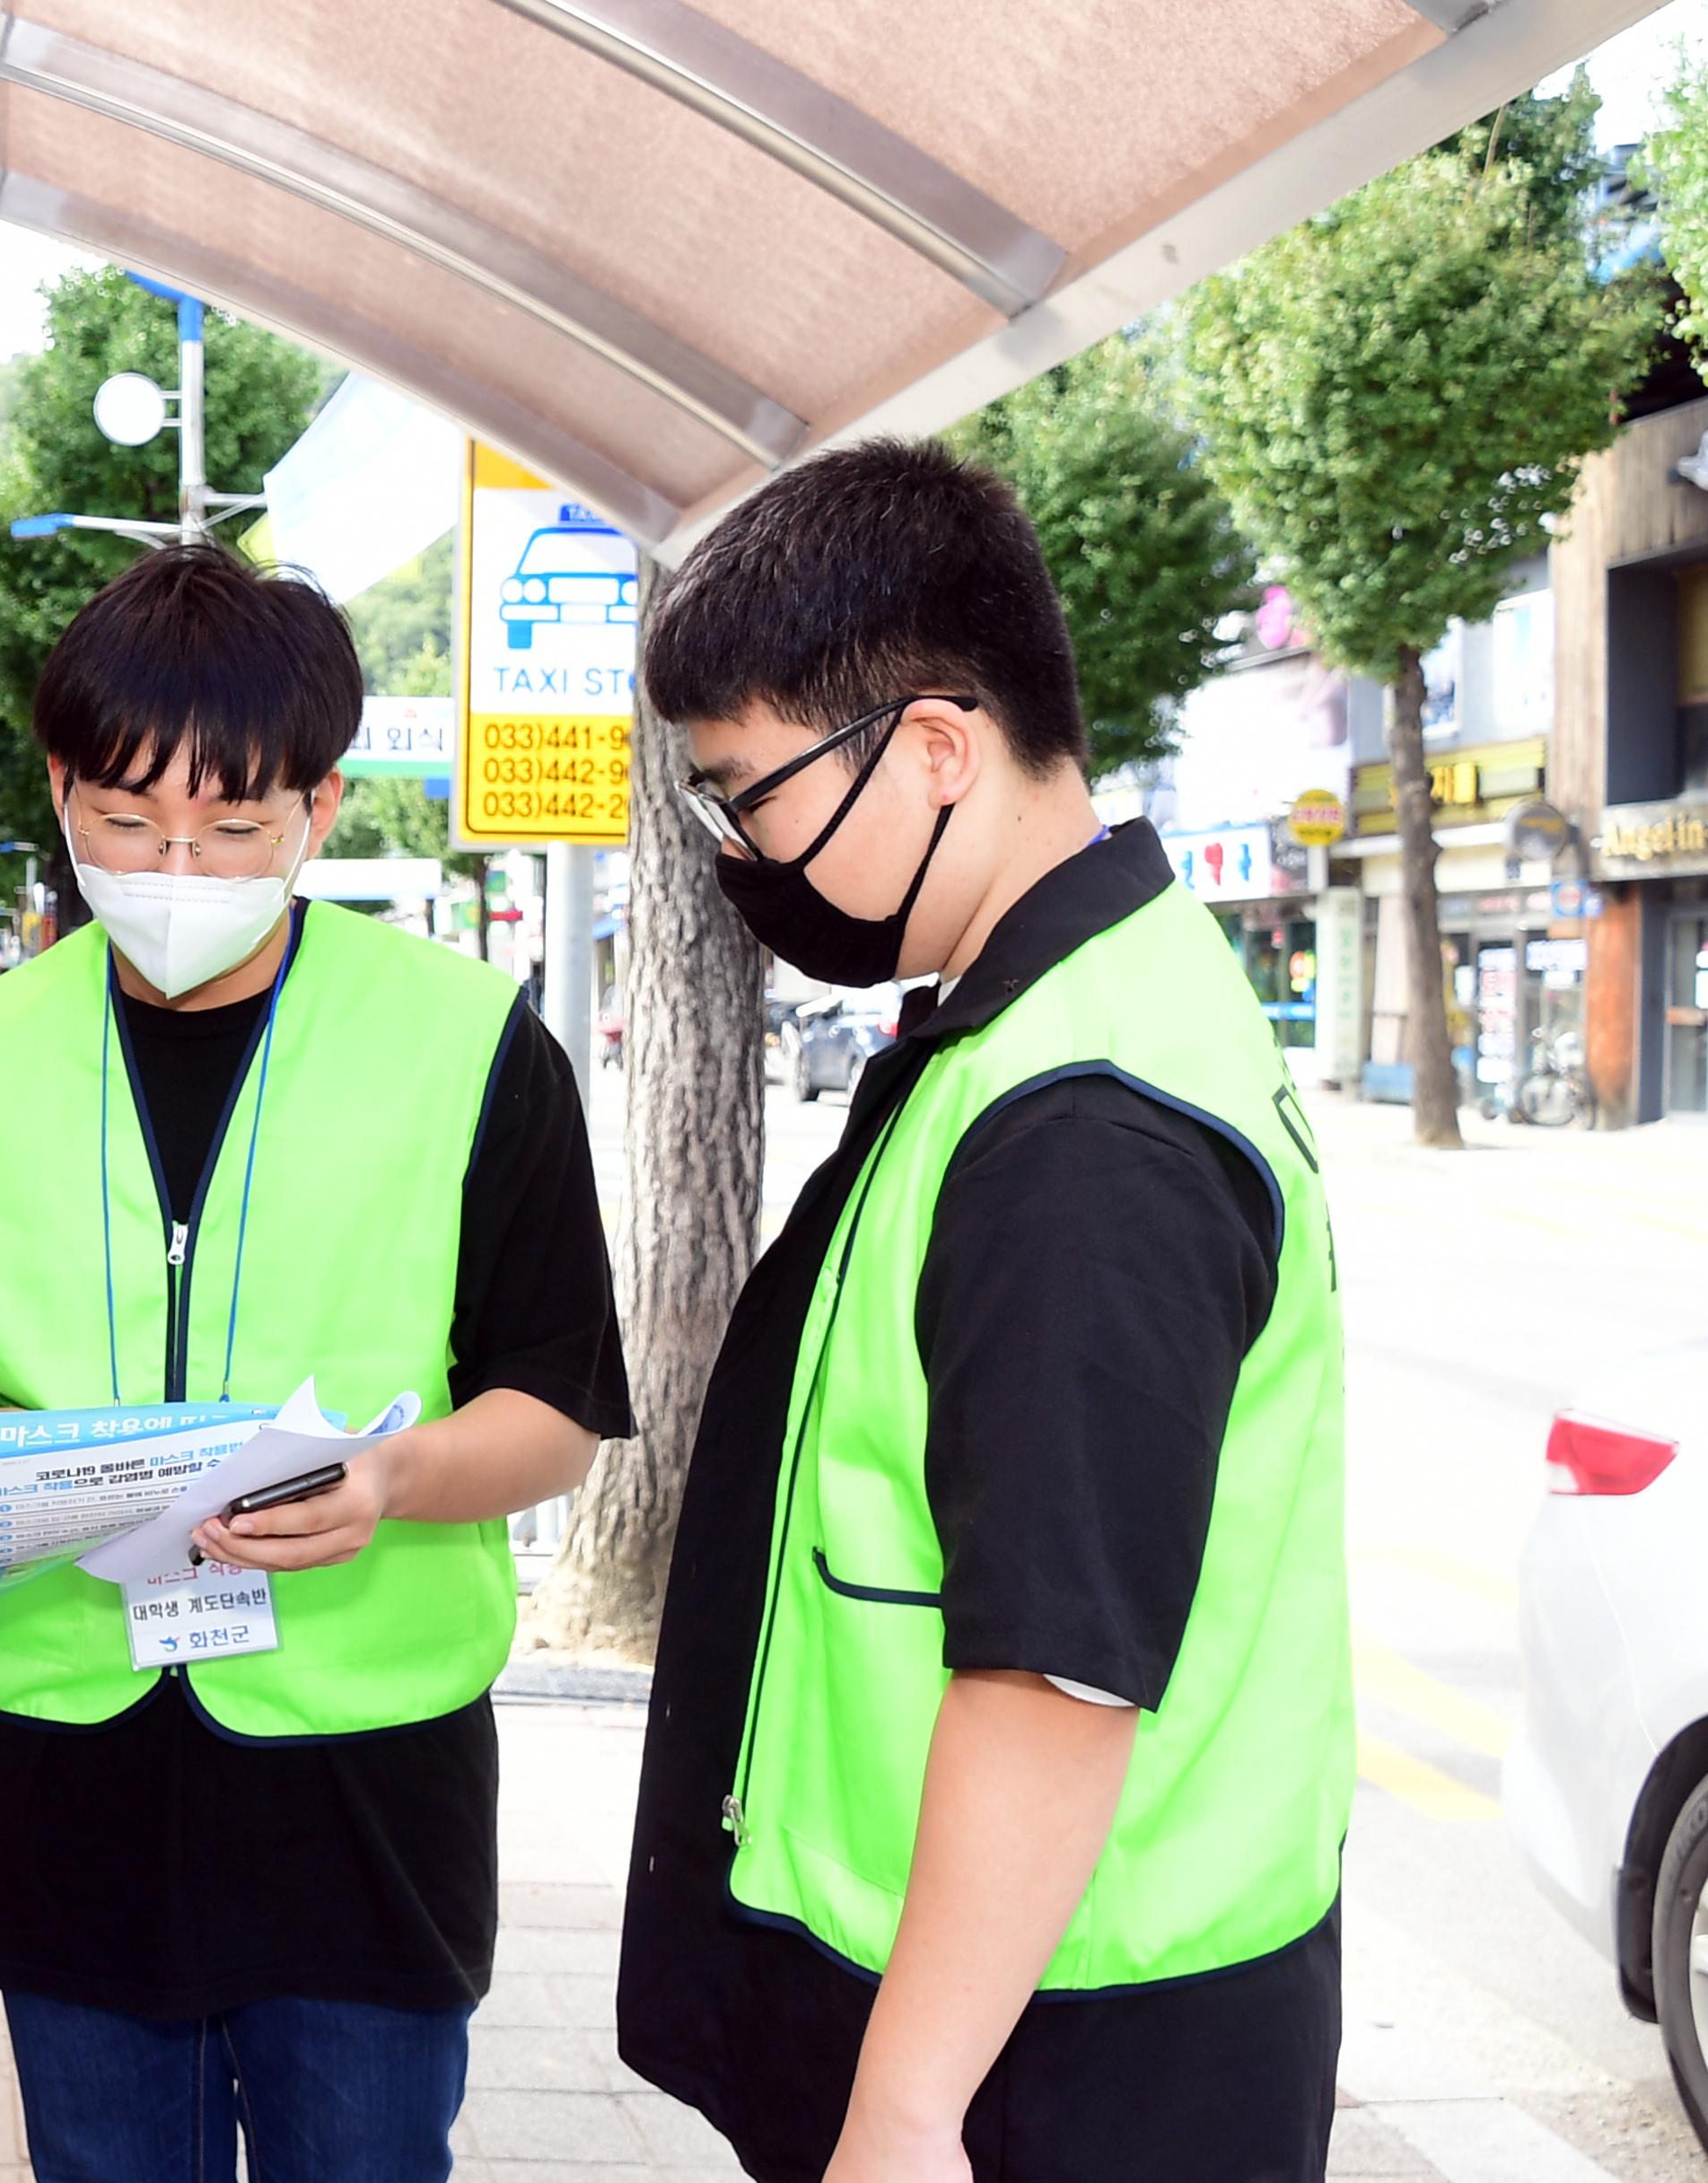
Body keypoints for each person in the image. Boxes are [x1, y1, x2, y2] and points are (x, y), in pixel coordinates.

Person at [0, 544, 632, 2179]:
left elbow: (555, 1408)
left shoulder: (473, 1042)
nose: (173, 864)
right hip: (68, 1766)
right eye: (125, 824)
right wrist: (34, 1468)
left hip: (363, 1777)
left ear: (319, 810)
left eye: (231, 829)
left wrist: (394, 1479)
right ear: (57, 791)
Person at [614, 441, 1349, 2183]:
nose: (741, 847)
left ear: (936, 747)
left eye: (753, 791)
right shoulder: (1048, 1015)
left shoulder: (1083, 1122)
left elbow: (1059, 1666)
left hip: (1051, 2065)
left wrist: (907, 2102)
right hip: (1032, 2020)